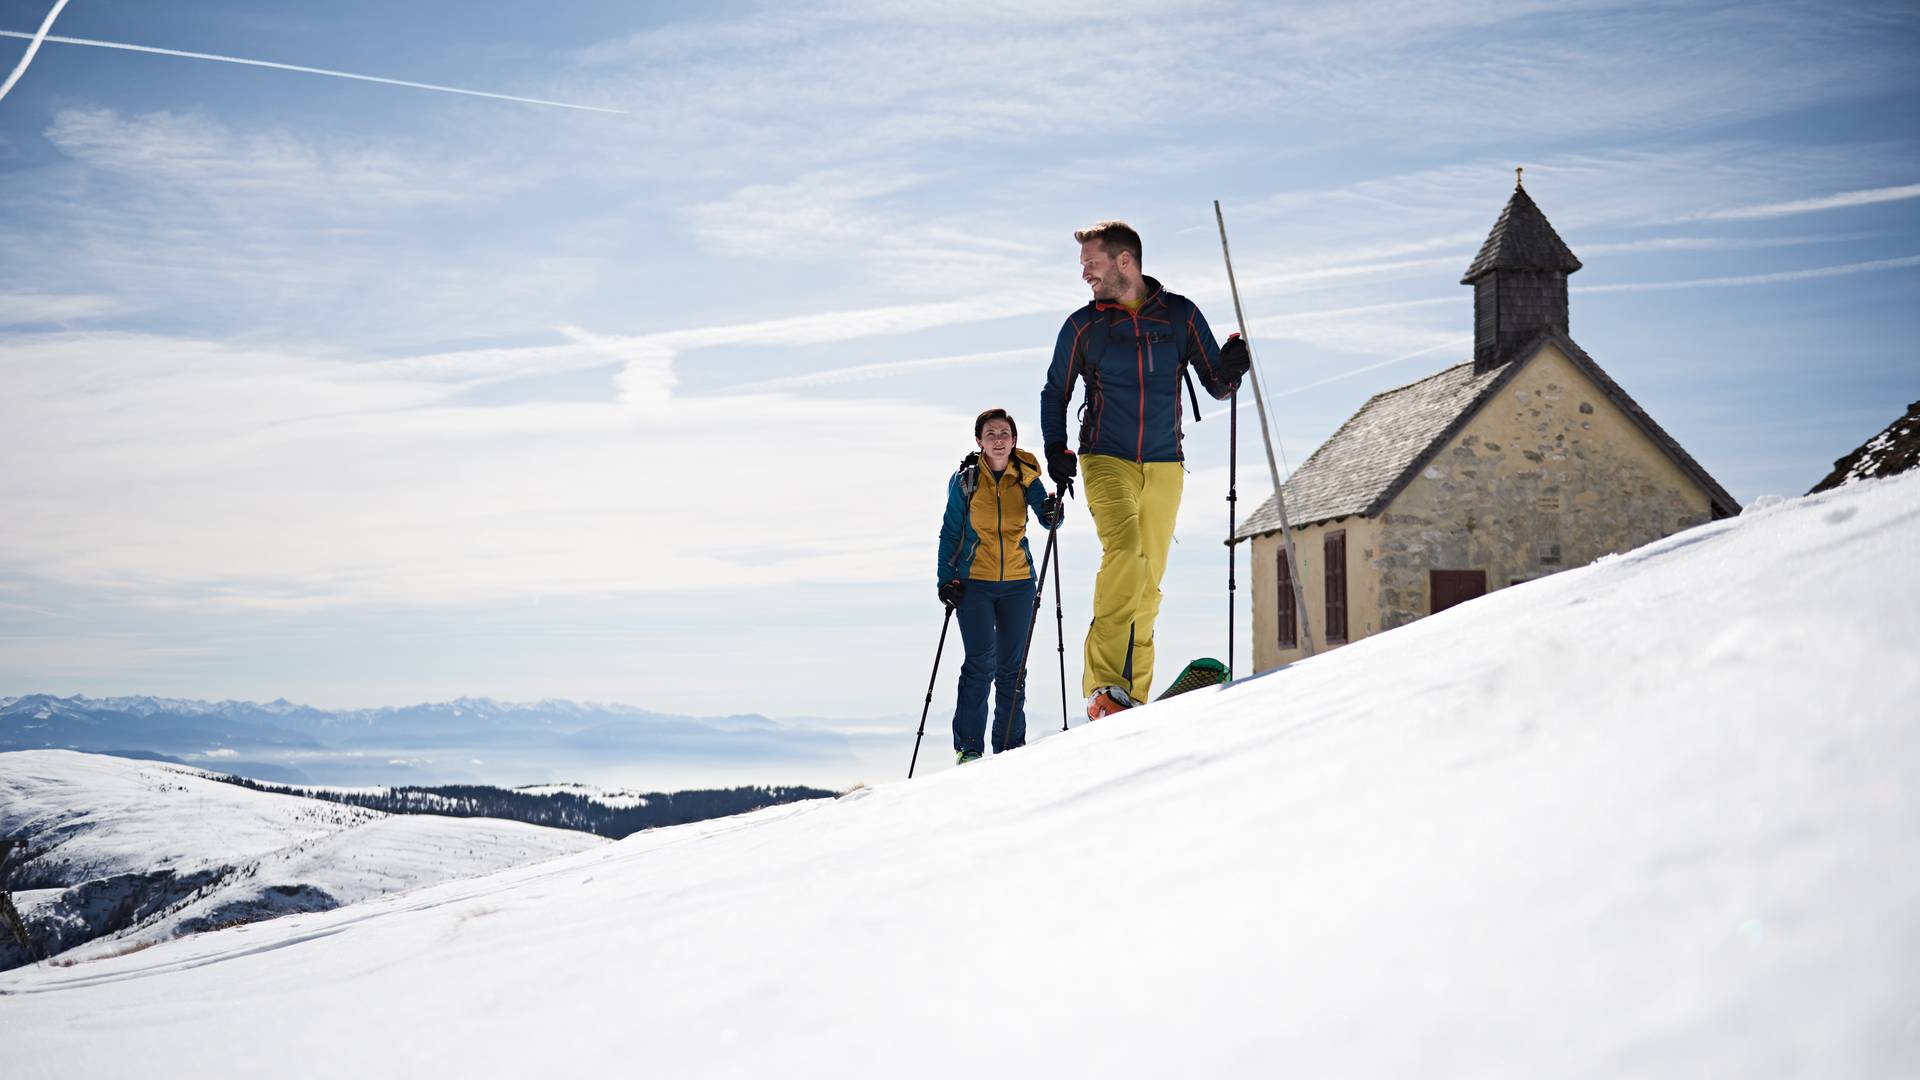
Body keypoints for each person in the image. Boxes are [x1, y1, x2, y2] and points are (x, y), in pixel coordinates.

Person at [1040, 220, 1250, 720]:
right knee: (1126, 555)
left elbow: (1218, 385)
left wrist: (1234, 365)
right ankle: (1101, 688)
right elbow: (1056, 391)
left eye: (1091, 263)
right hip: (1104, 457)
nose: (1085, 274)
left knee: (1150, 579)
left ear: (1124, 261)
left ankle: (1131, 694)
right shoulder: (1082, 326)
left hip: (1164, 462)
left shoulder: (1179, 315)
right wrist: (1056, 450)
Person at [937, 408, 1063, 764]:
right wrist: (946, 580)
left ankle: (1009, 748)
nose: (998, 439)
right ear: (979, 441)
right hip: (974, 584)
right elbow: (950, 531)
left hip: (1019, 584)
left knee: (1012, 668)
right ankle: (969, 748)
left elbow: (1047, 515)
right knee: (980, 663)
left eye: (1004, 433)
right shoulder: (965, 481)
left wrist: (1054, 511)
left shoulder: (1025, 476)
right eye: (990, 434)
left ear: (1014, 440)